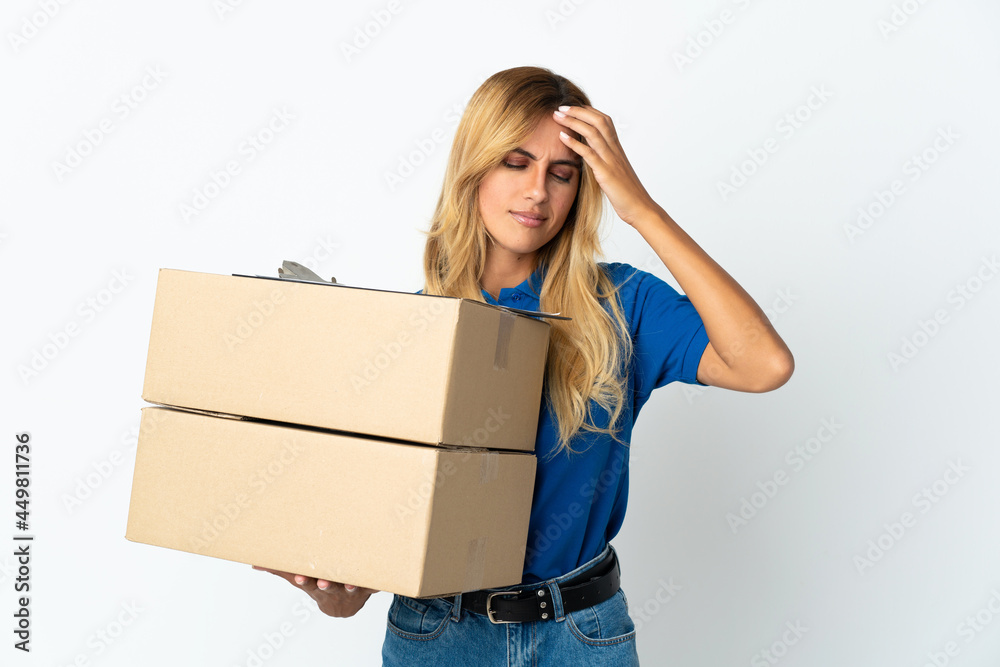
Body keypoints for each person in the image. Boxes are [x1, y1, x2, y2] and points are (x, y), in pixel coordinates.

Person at [255, 65, 794, 666]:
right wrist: (333, 588)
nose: (538, 191)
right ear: (474, 169)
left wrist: (640, 208)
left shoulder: (623, 306)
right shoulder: (409, 334)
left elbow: (764, 364)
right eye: (516, 163)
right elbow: (353, 591)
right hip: (437, 636)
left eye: (562, 174)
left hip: (581, 634)